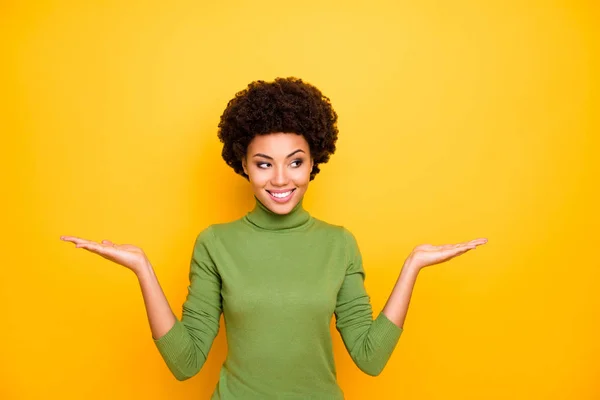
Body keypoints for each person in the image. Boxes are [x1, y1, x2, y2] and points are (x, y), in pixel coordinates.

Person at [60, 77, 488, 399]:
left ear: (312, 162)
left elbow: (370, 359)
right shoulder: (215, 244)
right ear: (243, 165)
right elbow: (185, 363)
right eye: (264, 164)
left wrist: (412, 266)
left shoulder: (339, 244)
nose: (281, 179)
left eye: (295, 162)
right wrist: (142, 269)